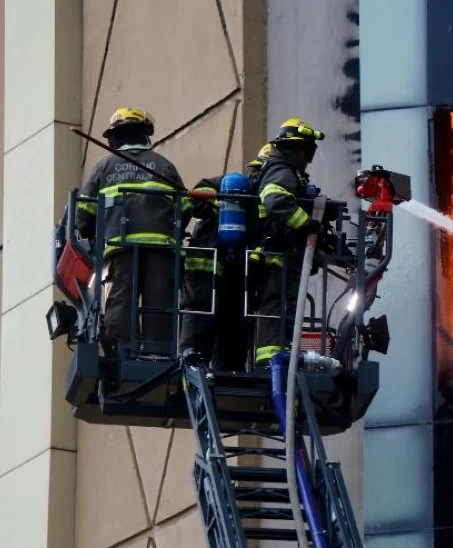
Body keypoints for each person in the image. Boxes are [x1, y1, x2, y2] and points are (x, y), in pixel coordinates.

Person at [75, 107, 188, 356]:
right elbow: (186, 207)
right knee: (159, 303)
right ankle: (158, 353)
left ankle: (121, 350)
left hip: (120, 250)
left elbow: (83, 215)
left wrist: (93, 235)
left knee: (120, 301)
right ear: (145, 134)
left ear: (114, 137)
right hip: (161, 250)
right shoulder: (163, 166)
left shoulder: (104, 167)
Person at [180, 144, 273, 369]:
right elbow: (193, 201)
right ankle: (199, 363)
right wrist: (215, 206)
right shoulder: (231, 184)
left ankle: (208, 365)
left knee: (225, 319)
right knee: (210, 315)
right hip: (213, 265)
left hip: (233, 270)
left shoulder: (266, 196)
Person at [251, 120, 325, 367]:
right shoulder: (283, 170)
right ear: (297, 149)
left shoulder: (283, 170)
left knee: (284, 308)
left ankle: (279, 355)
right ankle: (272, 361)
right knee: (277, 306)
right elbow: (274, 200)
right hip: (278, 253)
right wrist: (307, 223)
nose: (308, 159)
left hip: (282, 253)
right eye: (308, 152)